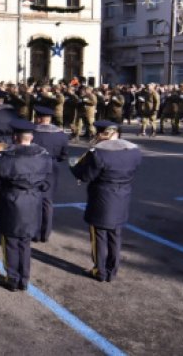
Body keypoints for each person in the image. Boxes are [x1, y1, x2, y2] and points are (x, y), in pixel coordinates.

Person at [71, 120, 142, 283]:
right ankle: (112, 269)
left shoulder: (98, 153)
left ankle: (99, 270)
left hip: (102, 196)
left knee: (99, 235)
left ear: (103, 133)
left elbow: (86, 176)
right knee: (115, 234)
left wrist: (74, 166)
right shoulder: (134, 151)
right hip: (123, 195)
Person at [0, 119, 51, 291]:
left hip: (12, 200)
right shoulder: (43, 155)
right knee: (25, 242)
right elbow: (47, 181)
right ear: (31, 137)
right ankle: (24, 279)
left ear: (15, 137)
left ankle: (12, 278)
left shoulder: (6, 156)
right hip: (33, 201)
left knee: (11, 241)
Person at [31, 106, 69, 243]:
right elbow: (64, 155)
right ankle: (45, 233)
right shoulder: (61, 134)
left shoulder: (32, 133)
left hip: (34, 166)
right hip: (52, 166)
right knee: (47, 201)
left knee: (35, 200)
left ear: (39, 118)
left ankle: (35, 232)